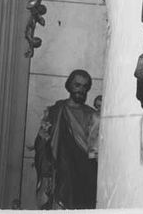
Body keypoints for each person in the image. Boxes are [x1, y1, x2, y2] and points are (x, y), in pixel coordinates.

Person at [34, 69, 98, 209]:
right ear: (69, 86)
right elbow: (41, 143)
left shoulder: (92, 116)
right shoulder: (54, 112)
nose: (81, 90)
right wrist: (46, 173)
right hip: (59, 176)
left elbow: (95, 151)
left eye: (85, 86)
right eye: (77, 85)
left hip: (84, 178)